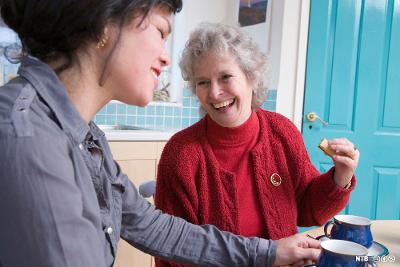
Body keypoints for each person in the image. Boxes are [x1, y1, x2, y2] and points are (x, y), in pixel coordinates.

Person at [0, 1, 322, 267]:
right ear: (104, 25)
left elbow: (155, 228)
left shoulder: (86, 137)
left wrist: (270, 253)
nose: (166, 56)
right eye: (160, 31)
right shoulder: (28, 141)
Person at [155, 22, 360, 267]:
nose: (215, 92)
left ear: (251, 78)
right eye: (203, 82)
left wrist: (341, 176)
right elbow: (173, 250)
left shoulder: (281, 131)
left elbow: (307, 209)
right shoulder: (181, 154)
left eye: (225, 77)